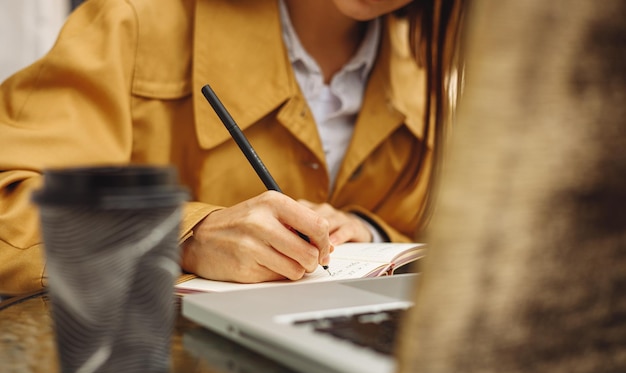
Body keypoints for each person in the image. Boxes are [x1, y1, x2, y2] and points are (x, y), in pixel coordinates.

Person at [0, 0, 463, 295]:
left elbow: (450, 240)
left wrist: (369, 233)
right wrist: (183, 239)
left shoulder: (429, 76)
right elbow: (10, 199)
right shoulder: (132, 22)